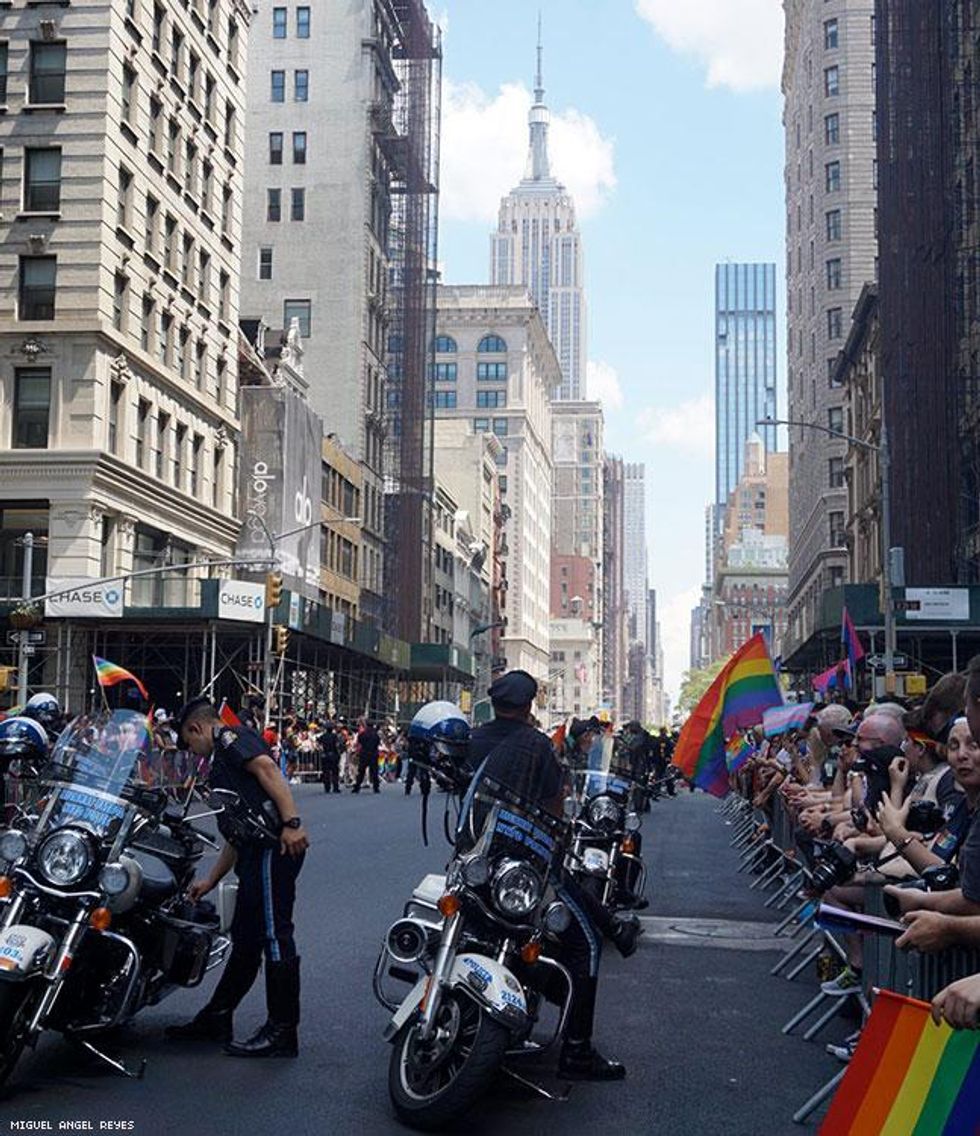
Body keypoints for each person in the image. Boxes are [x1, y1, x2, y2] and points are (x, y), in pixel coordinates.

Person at [465, 670, 635, 1081]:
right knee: (587, 946)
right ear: (528, 706)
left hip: (477, 855)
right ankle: (576, 1051)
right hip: (524, 861)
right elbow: (555, 805)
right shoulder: (537, 745)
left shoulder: (476, 739)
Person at [166, 696, 309, 1058]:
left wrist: (291, 824)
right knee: (246, 939)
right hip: (252, 850)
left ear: (196, 727)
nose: (191, 750)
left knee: (275, 935)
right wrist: (211, 880)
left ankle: (282, 1030)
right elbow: (236, 831)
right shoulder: (219, 766)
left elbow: (268, 770)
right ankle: (218, 1015)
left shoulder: (230, 739)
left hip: (271, 849)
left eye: (188, 741)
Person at [352, 718, 381, 793]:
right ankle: (376, 787)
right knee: (374, 772)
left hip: (364, 753)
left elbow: (360, 742)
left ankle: (357, 787)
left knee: (361, 771)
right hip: (373, 754)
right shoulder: (375, 734)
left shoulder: (363, 734)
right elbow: (377, 743)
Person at [319, 721, 341, 794]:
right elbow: (337, 745)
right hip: (333, 754)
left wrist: (322, 750)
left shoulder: (323, 736)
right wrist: (338, 754)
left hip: (325, 755)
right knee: (335, 772)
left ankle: (327, 787)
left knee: (326, 772)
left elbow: (318, 743)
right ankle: (335, 787)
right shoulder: (334, 736)